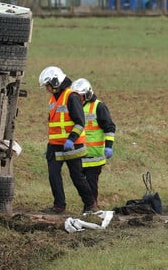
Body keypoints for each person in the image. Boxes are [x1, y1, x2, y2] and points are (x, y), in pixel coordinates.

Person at [38, 66, 97, 214]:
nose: (47, 88)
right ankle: (59, 205)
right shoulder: (53, 99)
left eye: (48, 85)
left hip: (72, 146)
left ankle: (90, 204)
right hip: (55, 146)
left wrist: (71, 139)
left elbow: (80, 122)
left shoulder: (72, 96)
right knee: (53, 175)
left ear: (55, 82)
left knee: (76, 176)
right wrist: (51, 144)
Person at [71, 78, 116, 208]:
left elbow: (109, 128)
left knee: (91, 183)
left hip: (94, 156)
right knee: (80, 184)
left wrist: (108, 147)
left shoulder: (98, 107)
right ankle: (89, 206)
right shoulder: (74, 106)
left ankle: (91, 208)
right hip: (79, 154)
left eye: (80, 96)